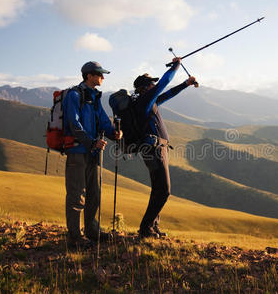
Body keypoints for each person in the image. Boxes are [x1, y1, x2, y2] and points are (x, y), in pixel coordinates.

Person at [132, 57, 198, 238]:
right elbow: (164, 83)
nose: (154, 86)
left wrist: (185, 83)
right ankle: (145, 228)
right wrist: (176, 66)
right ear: (144, 88)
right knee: (164, 190)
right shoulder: (144, 101)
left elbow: (167, 94)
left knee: (158, 189)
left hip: (156, 149)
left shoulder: (147, 102)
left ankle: (152, 226)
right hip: (153, 150)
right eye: (151, 84)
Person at [62, 61, 121, 247]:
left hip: (92, 153)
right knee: (76, 194)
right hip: (77, 152)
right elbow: (74, 124)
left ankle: (92, 231)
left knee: (93, 193)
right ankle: (74, 237)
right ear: (89, 76)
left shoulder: (94, 97)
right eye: (99, 74)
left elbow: (103, 121)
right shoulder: (74, 95)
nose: (103, 77)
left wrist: (114, 133)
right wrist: (91, 141)